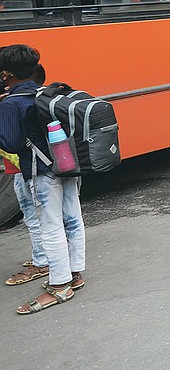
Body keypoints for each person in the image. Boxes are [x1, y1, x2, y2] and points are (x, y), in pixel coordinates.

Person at [0, 45, 86, 314]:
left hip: (41, 171)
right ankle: (75, 273)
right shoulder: (45, 92)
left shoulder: (12, 103)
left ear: (5, 74)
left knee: (50, 226)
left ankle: (60, 285)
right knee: (72, 219)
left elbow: (11, 144)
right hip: (67, 163)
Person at [2, 63, 47, 288]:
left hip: (23, 169)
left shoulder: (13, 103)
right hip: (32, 167)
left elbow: (11, 142)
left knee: (33, 215)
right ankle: (44, 254)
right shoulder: (39, 96)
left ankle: (42, 262)